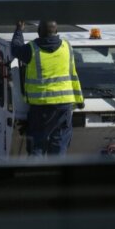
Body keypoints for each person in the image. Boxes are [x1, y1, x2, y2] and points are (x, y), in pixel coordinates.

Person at [11, 19, 83, 157]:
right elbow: (73, 74)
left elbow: (15, 48)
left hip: (42, 106)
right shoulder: (67, 47)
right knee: (60, 143)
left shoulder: (31, 48)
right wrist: (79, 100)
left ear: (38, 32)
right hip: (65, 104)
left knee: (38, 143)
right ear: (56, 31)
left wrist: (19, 30)